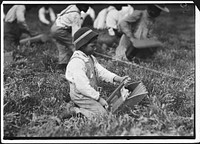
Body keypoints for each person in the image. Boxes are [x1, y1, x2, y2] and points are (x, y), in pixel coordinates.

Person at [63, 27, 131, 119]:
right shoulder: (77, 63)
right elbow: (82, 87)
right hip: (81, 95)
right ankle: (75, 111)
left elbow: (101, 72)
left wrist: (118, 78)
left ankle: (80, 106)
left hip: (88, 92)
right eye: (92, 46)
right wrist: (99, 99)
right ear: (82, 45)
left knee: (104, 109)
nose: (95, 48)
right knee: (103, 115)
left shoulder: (90, 57)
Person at [50, 4, 89, 70]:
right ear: (80, 6)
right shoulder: (76, 15)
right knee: (74, 45)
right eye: (86, 6)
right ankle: (80, 63)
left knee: (62, 46)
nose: (87, 8)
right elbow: (76, 33)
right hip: (60, 30)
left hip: (54, 27)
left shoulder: (71, 7)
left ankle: (62, 65)